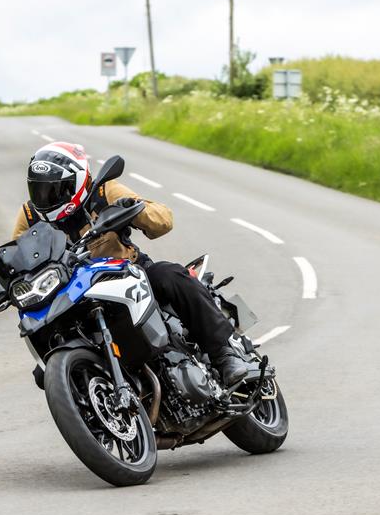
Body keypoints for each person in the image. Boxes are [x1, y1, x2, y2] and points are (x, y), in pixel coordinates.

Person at [12, 141, 248, 385]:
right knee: (45, 372)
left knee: (169, 276)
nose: (45, 197)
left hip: (128, 273)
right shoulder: (30, 214)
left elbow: (163, 219)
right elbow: (18, 255)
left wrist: (135, 210)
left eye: (54, 189)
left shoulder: (103, 192)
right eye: (39, 190)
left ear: (77, 181)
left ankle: (226, 353)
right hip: (73, 293)